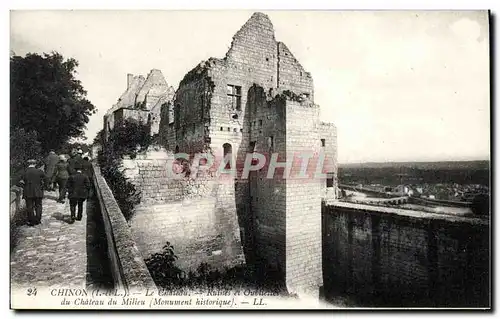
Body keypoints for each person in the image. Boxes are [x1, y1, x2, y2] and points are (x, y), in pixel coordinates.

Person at [18, 159, 46, 226]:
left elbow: (18, 182)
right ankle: (38, 220)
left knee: (29, 206)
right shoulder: (39, 171)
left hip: (28, 191)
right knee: (38, 205)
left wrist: (24, 186)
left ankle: (32, 221)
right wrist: (42, 186)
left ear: (28, 164)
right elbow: (46, 179)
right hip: (38, 191)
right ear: (35, 164)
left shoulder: (24, 172)